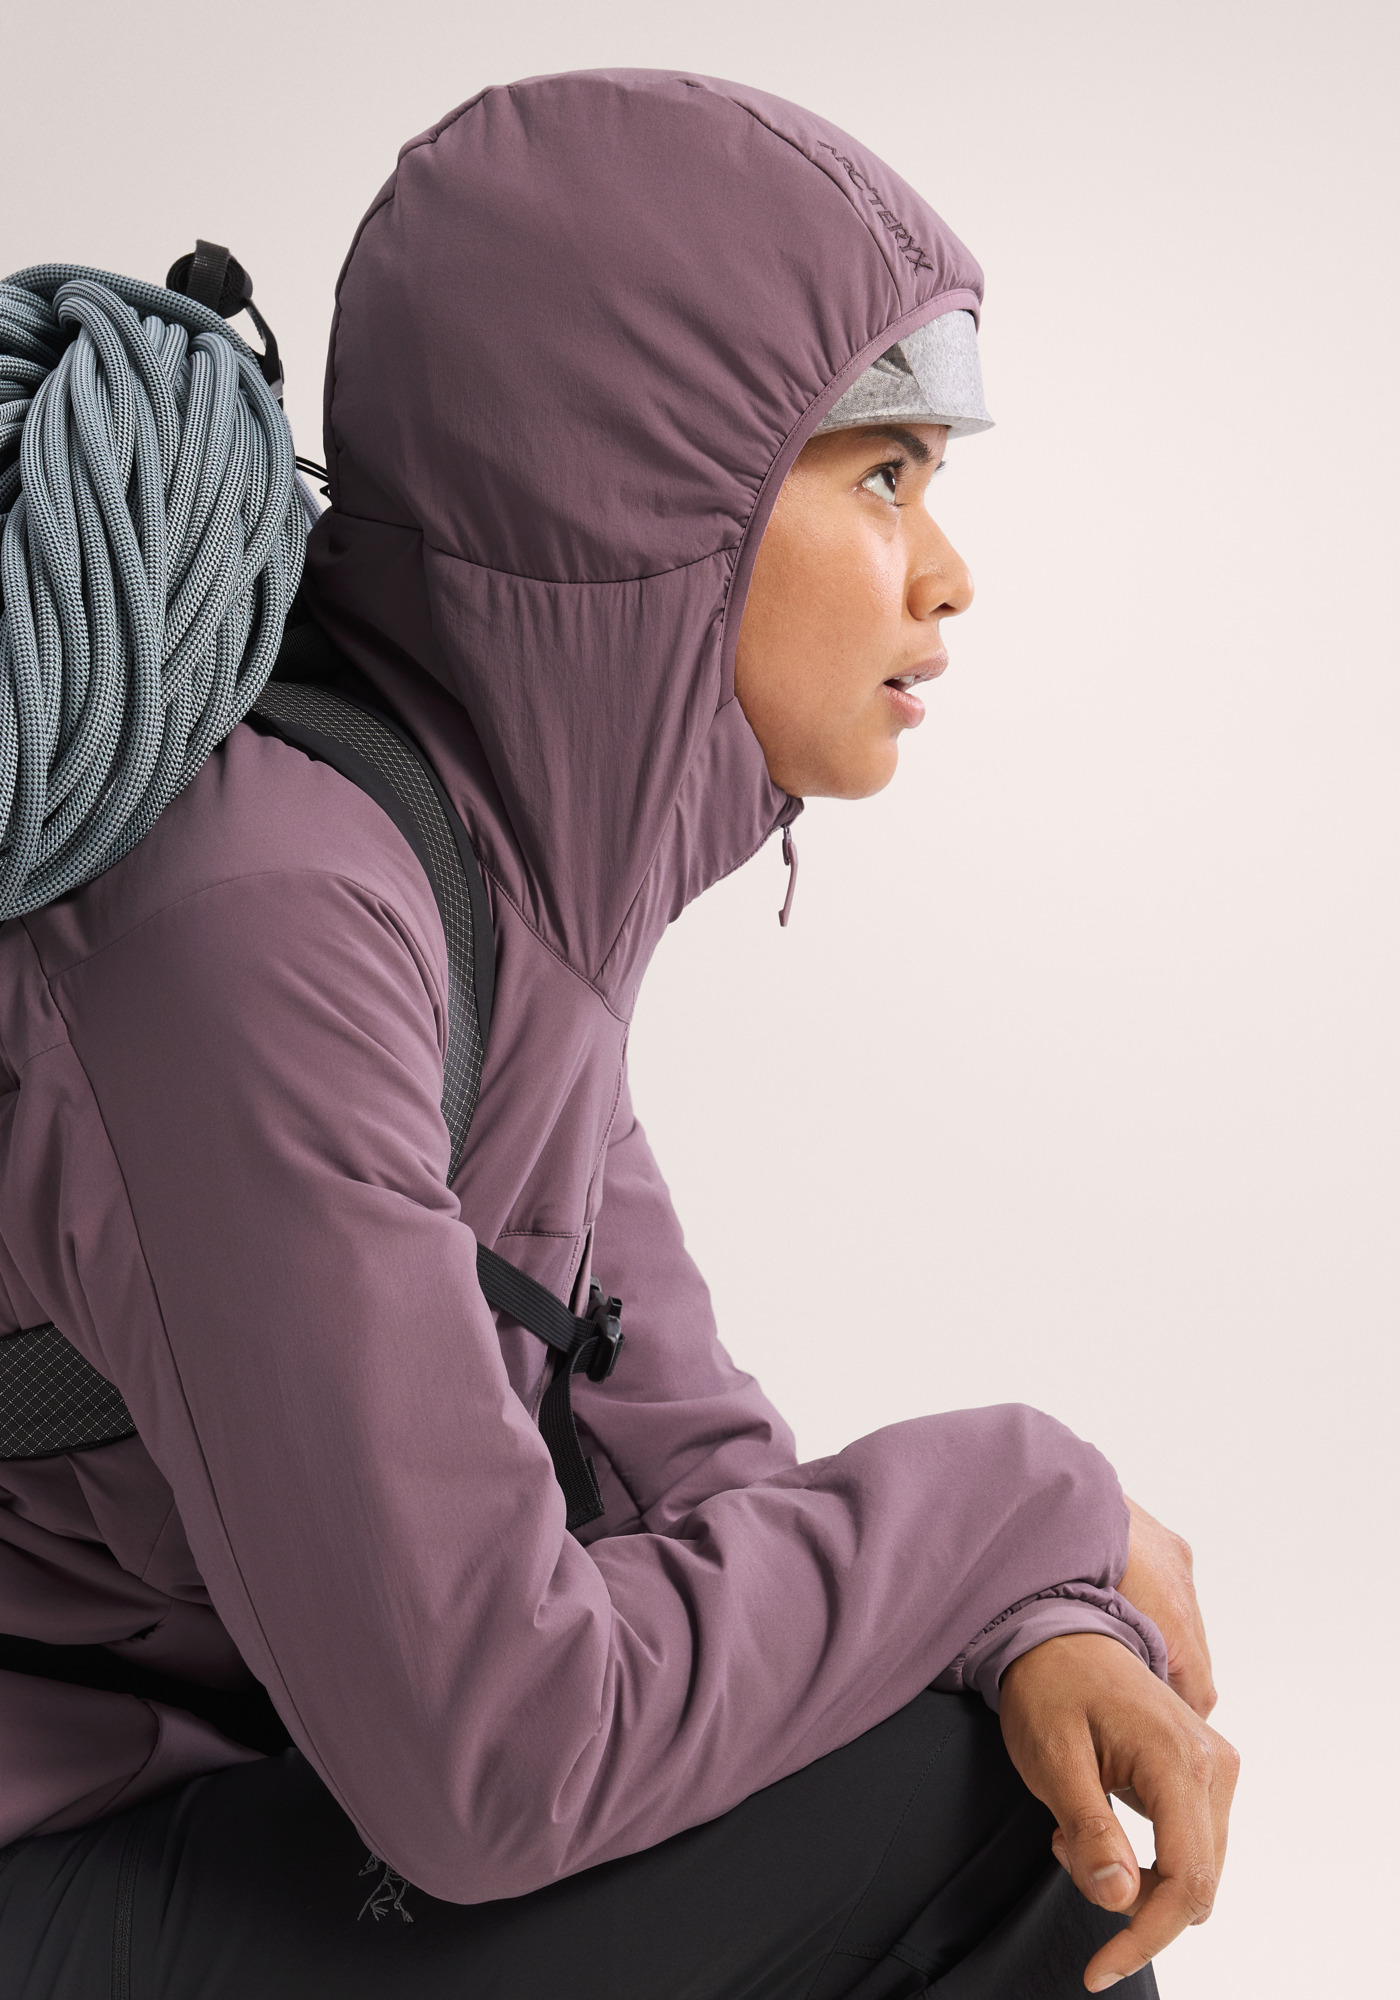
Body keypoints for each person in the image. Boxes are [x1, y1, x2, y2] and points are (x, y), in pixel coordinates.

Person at [0, 71, 1236, 1998]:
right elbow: (496, 1754)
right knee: (974, 1827)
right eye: (883, 478)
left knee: (989, 1742)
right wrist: (1030, 1501)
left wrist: (1026, 1626)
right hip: (56, 1863)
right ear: (649, 503)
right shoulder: (265, 926)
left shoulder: (504, 896)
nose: (947, 572)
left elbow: (698, 1480)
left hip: (223, 1798)